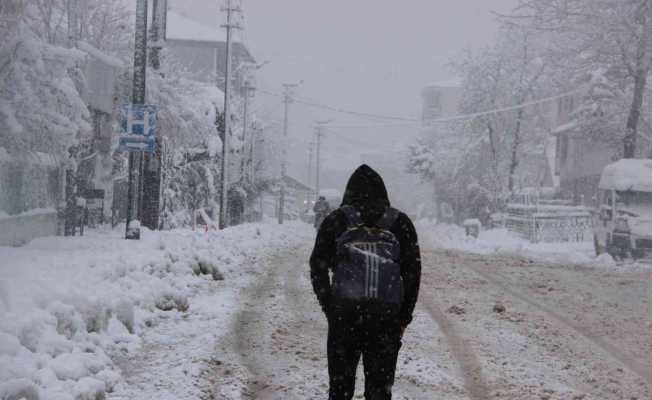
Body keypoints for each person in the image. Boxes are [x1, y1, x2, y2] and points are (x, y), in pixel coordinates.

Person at [310, 164, 421, 400]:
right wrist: (403, 317)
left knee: (340, 389)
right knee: (379, 391)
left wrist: (330, 307)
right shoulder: (400, 223)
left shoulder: (336, 220)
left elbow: (317, 265)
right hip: (385, 319)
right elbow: (413, 273)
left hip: (345, 316)